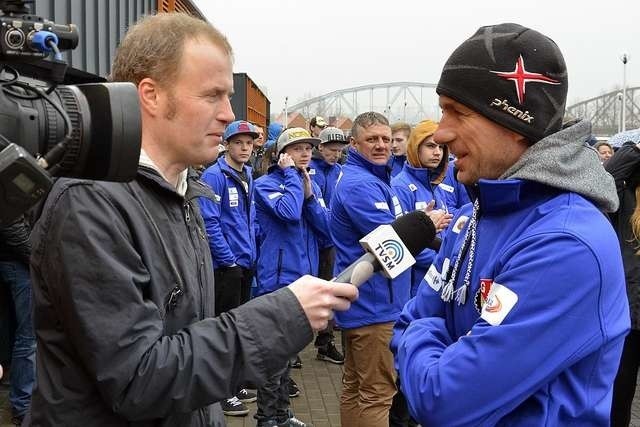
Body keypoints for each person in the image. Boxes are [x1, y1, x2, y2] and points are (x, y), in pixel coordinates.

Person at [26, 13, 357, 427]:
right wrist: (283, 315)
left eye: (228, 96)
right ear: (150, 95)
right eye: (212, 95)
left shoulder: (182, 190)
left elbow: (186, 346)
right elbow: (138, 379)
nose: (228, 114)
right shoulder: (89, 203)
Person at [391, 23, 629, 426]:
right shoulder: (473, 215)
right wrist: (431, 341)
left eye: (458, 111)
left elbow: (444, 399)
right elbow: (406, 321)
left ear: (516, 123)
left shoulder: (567, 243)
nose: (442, 132)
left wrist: (424, 336)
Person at [330, 112, 409, 427]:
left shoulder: (375, 179)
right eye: (372, 139)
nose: (381, 145)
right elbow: (391, 247)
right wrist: (428, 232)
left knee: (356, 387)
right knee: (377, 394)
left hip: (369, 303)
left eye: (386, 139)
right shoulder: (360, 184)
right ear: (354, 143)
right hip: (376, 305)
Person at [253, 127, 331, 427]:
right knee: (274, 356)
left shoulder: (308, 184)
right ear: (282, 154)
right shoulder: (266, 184)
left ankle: (283, 414)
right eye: (298, 149)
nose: (306, 154)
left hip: (303, 279)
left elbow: (326, 231)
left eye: (309, 148)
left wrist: (311, 197)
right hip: (277, 280)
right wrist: (290, 178)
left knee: (289, 356)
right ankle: (265, 419)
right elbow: (287, 212)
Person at [198, 120, 259, 416]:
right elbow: (210, 223)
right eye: (239, 142)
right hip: (226, 267)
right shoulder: (214, 175)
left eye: (249, 143)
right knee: (222, 330)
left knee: (238, 328)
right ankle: (220, 393)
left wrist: (251, 253)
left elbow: (251, 218)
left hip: (245, 263)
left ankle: (234, 384)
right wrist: (229, 260)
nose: (245, 148)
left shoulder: (248, 173)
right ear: (227, 144)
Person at [391, 119, 451, 297]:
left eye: (441, 148)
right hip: (415, 285)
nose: (437, 152)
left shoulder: (436, 186)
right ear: (416, 148)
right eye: (431, 146)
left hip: (438, 279)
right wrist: (442, 262)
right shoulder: (400, 186)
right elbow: (402, 240)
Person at [605, 141, 640, 426]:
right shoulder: (624, 199)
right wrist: (637, 147)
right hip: (627, 315)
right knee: (619, 395)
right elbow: (606, 178)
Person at [309, 126, 349, 364]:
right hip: (312, 241)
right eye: (331, 150)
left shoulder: (340, 171)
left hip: (332, 243)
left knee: (330, 292)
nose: (335, 154)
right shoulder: (310, 170)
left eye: (339, 150)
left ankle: (325, 342)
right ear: (320, 147)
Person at [0, 216, 35, 426]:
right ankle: (23, 405)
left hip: (15, 260)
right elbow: (10, 222)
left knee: (21, 333)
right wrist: (39, 258)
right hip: (19, 263)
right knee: (29, 336)